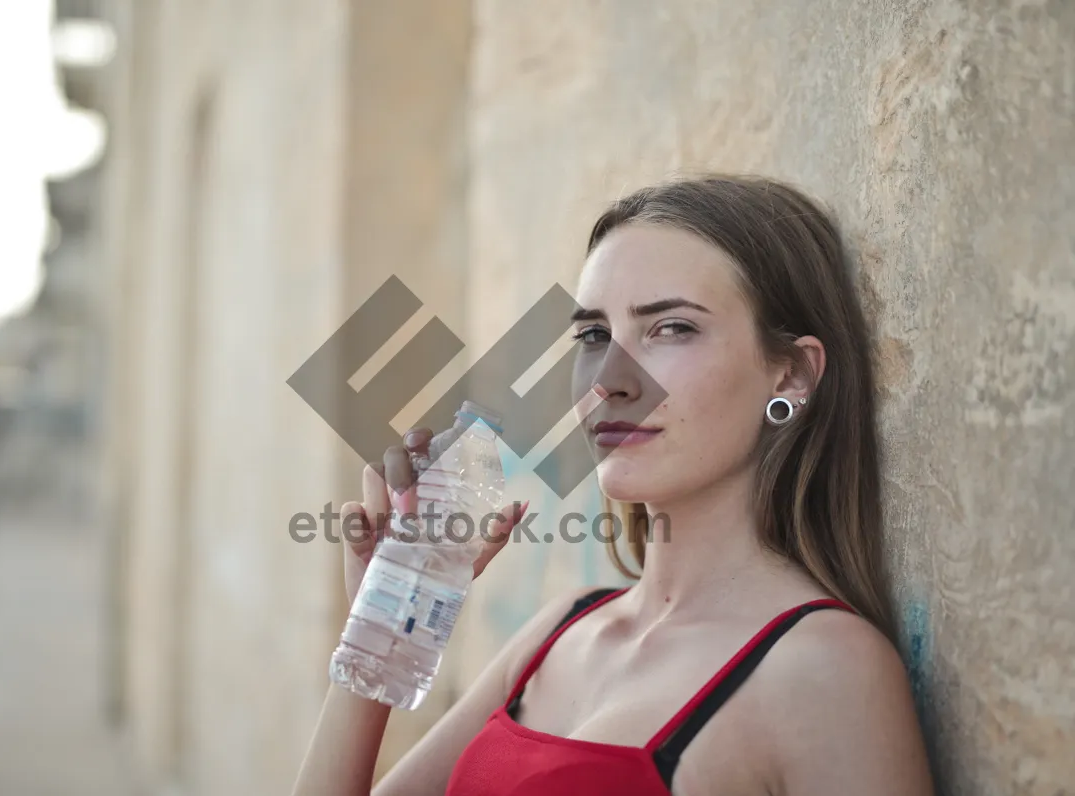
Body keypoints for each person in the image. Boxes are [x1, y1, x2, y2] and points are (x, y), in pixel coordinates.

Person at [292, 174, 936, 795]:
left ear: (791, 374)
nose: (610, 380)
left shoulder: (826, 670)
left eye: (671, 328)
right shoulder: (561, 631)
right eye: (595, 335)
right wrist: (384, 621)